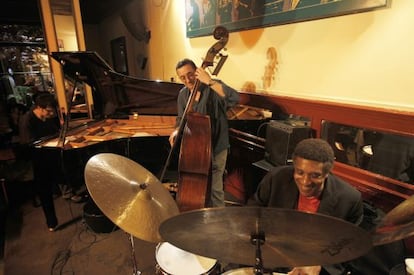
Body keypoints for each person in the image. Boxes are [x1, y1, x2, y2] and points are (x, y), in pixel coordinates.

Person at [253, 138, 364, 274]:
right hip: (273, 261)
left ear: (327, 173)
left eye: (315, 175)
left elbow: (349, 248)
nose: (305, 181)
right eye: (300, 172)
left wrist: (320, 266)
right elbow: (251, 220)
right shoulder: (275, 179)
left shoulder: (349, 199)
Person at [169, 58, 240, 207]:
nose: (188, 80)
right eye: (182, 77)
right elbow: (181, 119)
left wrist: (210, 81)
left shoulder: (212, 88)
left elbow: (235, 98)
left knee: (215, 188)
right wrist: (176, 131)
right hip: (195, 149)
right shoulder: (183, 95)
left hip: (217, 146)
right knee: (197, 186)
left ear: (197, 72)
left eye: (190, 74)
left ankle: (219, 220)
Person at [19, 92, 62, 231]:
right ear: (39, 107)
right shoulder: (27, 120)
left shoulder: (49, 118)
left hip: (52, 155)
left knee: (66, 175)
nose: (52, 114)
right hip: (37, 161)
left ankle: (69, 191)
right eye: (49, 111)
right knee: (45, 192)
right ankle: (51, 222)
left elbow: (56, 131)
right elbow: (27, 145)